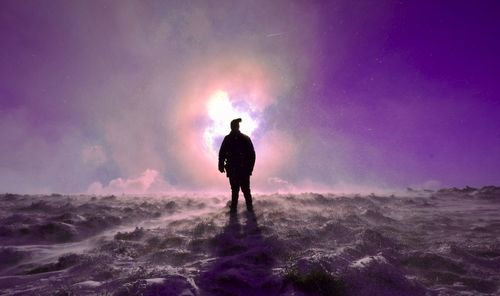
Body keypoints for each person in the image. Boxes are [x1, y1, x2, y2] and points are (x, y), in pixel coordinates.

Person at [218, 118, 256, 212]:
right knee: (235, 190)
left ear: (237, 126)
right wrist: (221, 165)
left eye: (235, 126)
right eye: (233, 126)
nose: (234, 127)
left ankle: (249, 210)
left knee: (245, 190)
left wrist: (249, 169)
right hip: (234, 169)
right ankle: (235, 209)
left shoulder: (244, 138)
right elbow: (222, 153)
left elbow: (252, 155)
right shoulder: (228, 139)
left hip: (243, 169)